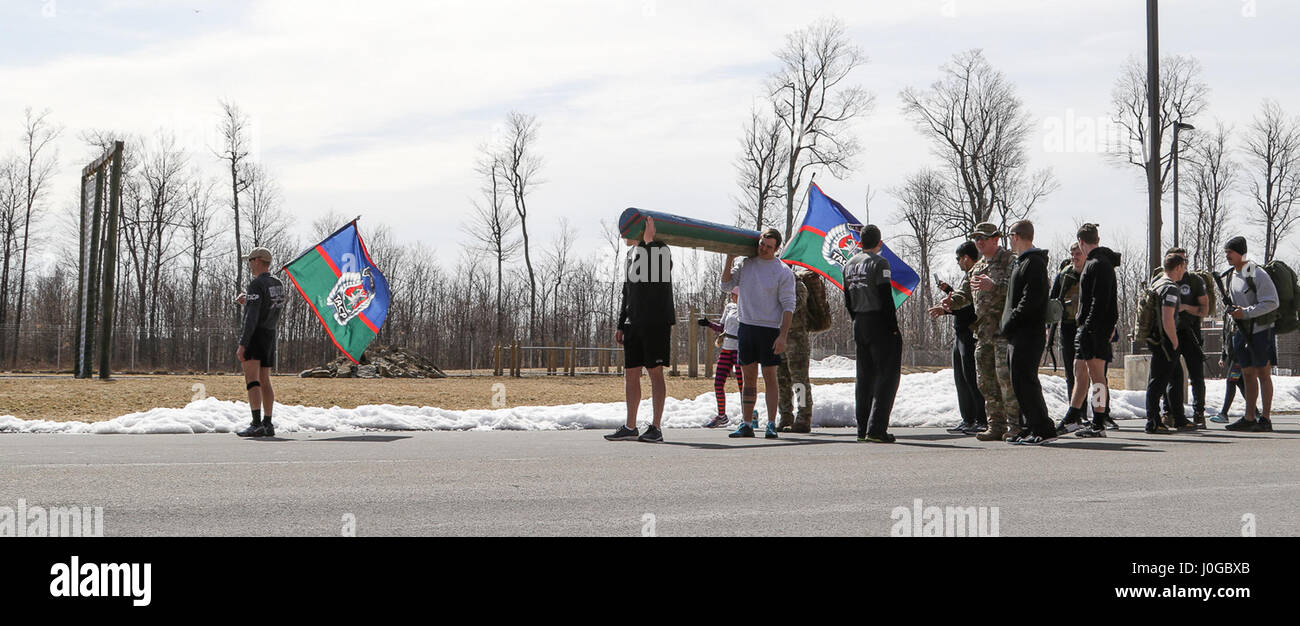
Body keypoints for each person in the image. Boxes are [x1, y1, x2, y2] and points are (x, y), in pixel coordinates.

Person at [943, 222, 1019, 441]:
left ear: (996, 239)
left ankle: (1015, 425)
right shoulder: (977, 267)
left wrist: (994, 285)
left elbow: (1019, 289)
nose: (979, 242)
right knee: (985, 381)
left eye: (983, 238)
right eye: (976, 239)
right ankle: (995, 425)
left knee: (1005, 379)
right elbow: (965, 293)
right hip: (984, 333)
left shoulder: (1009, 261)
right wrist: (949, 303)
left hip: (1004, 331)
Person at [720, 228, 796, 439]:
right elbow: (726, 285)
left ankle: (771, 423)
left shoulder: (783, 271)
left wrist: (783, 335)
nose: (763, 249)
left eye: (769, 246)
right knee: (748, 377)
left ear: (777, 248)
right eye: (762, 244)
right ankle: (746, 423)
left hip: (770, 329)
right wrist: (729, 259)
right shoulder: (746, 264)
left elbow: (789, 305)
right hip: (746, 327)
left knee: (770, 377)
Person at [606, 217, 675, 443]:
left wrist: (647, 243)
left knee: (655, 371)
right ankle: (630, 426)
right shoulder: (631, 254)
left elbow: (660, 273)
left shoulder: (660, 249)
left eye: (626, 231)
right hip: (632, 323)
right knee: (631, 373)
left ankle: (656, 428)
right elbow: (627, 290)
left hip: (655, 322)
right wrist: (620, 323)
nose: (623, 236)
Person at [1060, 224, 1121, 438]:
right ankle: (1073, 415)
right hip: (1085, 327)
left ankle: (1098, 421)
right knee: (1079, 371)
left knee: (1097, 376)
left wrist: (1090, 326)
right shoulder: (1093, 263)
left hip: (1095, 329)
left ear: (1081, 242)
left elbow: (1101, 300)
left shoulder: (1099, 264)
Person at [843, 225, 902, 443]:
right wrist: (892, 326)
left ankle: (862, 428)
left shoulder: (849, 265)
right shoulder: (880, 262)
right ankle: (876, 429)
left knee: (864, 377)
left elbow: (847, 300)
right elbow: (885, 296)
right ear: (880, 242)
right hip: (879, 321)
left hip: (859, 321)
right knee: (887, 376)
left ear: (860, 241)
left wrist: (857, 320)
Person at [1000, 221, 1056, 445]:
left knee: (1026, 381)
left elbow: (1031, 299)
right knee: (1018, 381)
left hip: (1028, 332)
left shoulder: (1034, 262)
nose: (1009, 241)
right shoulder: (1020, 263)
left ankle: (1043, 428)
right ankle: (1029, 426)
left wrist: (1011, 321)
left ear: (1016, 236)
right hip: (1017, 333)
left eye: (1010, 236)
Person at [930, 241, 986, 435]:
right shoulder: (966, 278)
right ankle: (967, 418)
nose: (957, 263)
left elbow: (969, 307)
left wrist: (945, 307)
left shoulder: (976, 276)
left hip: (970, 333)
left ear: (966, 258)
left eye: (958, 259)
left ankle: (981, 419)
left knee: (971, 377)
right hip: (959, 333)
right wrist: (948, 292)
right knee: (960, 378)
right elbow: (961, 303)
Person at [1223, 236, 1278, 433]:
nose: (1227, 255)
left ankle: (1265, 418)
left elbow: (1272, 302)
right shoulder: (1232, 274)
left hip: (1260, 331)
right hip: (1241, 331)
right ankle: (1249, 417)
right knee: (1246, 373)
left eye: (1230, 251)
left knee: (1263, 373)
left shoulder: (1254, 271)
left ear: (1241, 252)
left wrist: (1245, 312)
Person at [235, 247, 287, 438]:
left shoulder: (256, 284)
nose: (249, 265)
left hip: (256, 335)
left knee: (253, 379)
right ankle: (268, 422)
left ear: (257, 261)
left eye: (250, 261)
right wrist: (248, 301)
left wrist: (243, 343)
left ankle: (256, 423)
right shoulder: (277, 283)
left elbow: (252, 316)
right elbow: (266, 306)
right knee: (265, 380)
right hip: (270, 334)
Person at [1144, 253, 1196, 434]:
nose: (1185, 271)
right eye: (1184, 267)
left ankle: (1179, 418)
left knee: (1175, 377)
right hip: (1164, 341)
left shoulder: (1157, 283)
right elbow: (1167, 318)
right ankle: (1153, 421)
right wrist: (1174, 342)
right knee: (1158, 382)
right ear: (1179, 267)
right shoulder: (1170, 288)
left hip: (1155, 337)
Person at [1161, 247, 1210, 429]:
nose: (1180, 266)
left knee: (1196, 375)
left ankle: (1199, 413)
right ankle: (1169, 412)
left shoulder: (1195, 280)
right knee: (1170, 375)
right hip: (1169, 331)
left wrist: (1185, 308)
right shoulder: (1162, 279)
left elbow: (1205, 308)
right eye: (1176, 261)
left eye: (1182, 261)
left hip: (1190, 332)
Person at [699, 288, 743, 428]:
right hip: (726, 349)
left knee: (743, 385)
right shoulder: (729, 307)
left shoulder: (748, 307)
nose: (732, 297)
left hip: (739, 349)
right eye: (731, 294)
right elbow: (722, 327)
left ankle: (746, 416)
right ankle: (722, 415)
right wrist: (709, 324)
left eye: (735, 294)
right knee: (718, 383)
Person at [777, 270, 813, 433]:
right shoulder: (775, 286)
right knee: (782, 380)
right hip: (779, 338)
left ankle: (804, 417)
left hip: (797, 340)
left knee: (799, 381)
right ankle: (785, 416)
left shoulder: (799, 286)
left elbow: (794, 305)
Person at [1048, 242, 1084, 400]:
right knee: (1071, 370)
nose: (1075, 258)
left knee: (1096, 373)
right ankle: (1075, 410)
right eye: (1073, 254)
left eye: (1079, 254)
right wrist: (1049, 329)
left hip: (1088, 326)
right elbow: (1053, 303)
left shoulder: (1094, 272)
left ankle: (1102, 412)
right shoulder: (1064, 275)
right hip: (1068, 326)